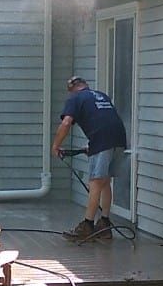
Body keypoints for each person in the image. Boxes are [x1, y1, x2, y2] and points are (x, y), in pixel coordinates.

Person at [50, 76, 128, 242]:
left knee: (95, 182)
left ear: (71, 90)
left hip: (102, 140)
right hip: (120, 138)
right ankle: (105, 224)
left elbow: (66, 123)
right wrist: (92, 147)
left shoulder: (75, 99)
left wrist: (55, 146)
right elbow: (103, 120)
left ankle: (87, 225)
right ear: (85, 85)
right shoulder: (100, 95)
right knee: (105, 181)